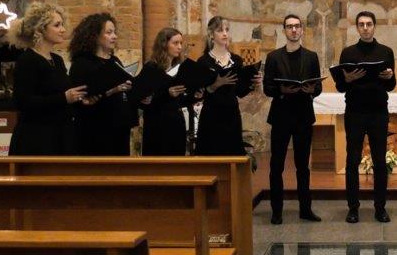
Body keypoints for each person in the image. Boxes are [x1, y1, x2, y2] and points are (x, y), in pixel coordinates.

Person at [335, 11, 396, 224]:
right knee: (352, 161)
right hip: (355, 111)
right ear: (357, 28)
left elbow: (391, 85)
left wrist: (389, 77)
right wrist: (348, 79)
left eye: (369, 24)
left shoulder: (386, 51)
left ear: (374, 26)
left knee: (380, 161)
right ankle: (353, 208)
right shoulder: (348, 53)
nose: (365, 27)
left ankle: (380, 208)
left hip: (378, 112)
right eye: (361, 24)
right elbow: (340, 86)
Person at [262, 14, 323, 224]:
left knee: (303, 166)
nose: (294, 30)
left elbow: (319, 88)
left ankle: (305, 209)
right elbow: (267, 88)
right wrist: (281, 90)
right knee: (276, 165)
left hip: (303, 116)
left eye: (297, 26)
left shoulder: (311, 56)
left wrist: (310, 90)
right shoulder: (273, 57)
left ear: (302, 30)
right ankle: (276, 211)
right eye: (289, 27)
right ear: (284, 30)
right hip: (280, 116)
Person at [7, 2, 86, 155]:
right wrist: (64, 98)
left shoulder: (57, 60)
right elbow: (22, 102)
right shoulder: (27, 60)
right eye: (57, 25)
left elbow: (62, 94)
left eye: (62, 25)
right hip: (36, 138)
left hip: (60, 134)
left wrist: (80, 99)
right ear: (41, 29)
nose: (63, 30)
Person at [67, 12, 135, 156]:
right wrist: (112, 90)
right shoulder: (83, 63)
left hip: (119, 126)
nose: (114, 36)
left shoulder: (114, 60)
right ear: (95, 35)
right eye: (109, 32)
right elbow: (82, 99)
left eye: (114, 32)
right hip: (95, 128)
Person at [194, 16, 262, 156]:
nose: (225, 33)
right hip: (211, 114)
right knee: (211, 153)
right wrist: (216, 84)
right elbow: (199, 93)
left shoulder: (236, 60)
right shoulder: (204, 61)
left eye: (227, 30)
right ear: (211, 35)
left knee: (232, 155)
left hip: (231, 113)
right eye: (220, 30)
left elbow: (240, 91)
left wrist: (253, 83)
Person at [140, 27, 202, 156]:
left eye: (180, 43)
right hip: (157, 125)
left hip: (176, 123)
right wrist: (167, 93)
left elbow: (179, 101)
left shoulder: (180, 69)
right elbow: (145, 99)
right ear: (164, 44)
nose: (179, 47)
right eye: (175, 43)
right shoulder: (151, 68)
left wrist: (195, 96)